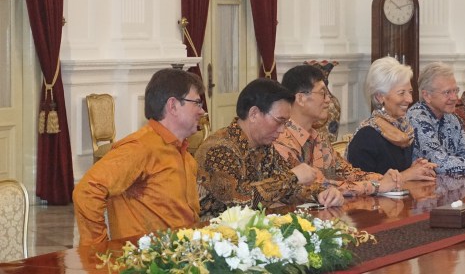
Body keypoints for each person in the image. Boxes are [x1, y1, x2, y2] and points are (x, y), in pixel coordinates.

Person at [73, 68, 204, 246]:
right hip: (147, 263)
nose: (202, 111)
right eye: (196, 103)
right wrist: (99, 250)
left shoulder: (185, 155)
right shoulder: (141, 147)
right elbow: (87, 192)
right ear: (172, 105)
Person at [196, 78, 343, 218]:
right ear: (254, 114)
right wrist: (293, 177)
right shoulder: (219, 149)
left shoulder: (265, 147)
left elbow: (288, 189)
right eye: (279, 121)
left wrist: (322, 193)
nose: (282, 130)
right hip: (211, 235)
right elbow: (240, 200)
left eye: (285, 123)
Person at [274, 64, 403, 197]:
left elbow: (347, 173)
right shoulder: (281, 139)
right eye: (323, 93)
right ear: (301, 98)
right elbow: (318, 187)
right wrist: (376, 186)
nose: (328, 100)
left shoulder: (318, 138)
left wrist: (383, 178)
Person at [346, 57, 437, 180]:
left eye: (410, 92)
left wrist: (417, 168)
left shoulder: (405, 129)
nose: (409, 99)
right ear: (379, 97)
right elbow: (361, 184)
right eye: (401, 93)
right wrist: (407, 175)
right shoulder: (366, 136)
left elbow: (395, 170)